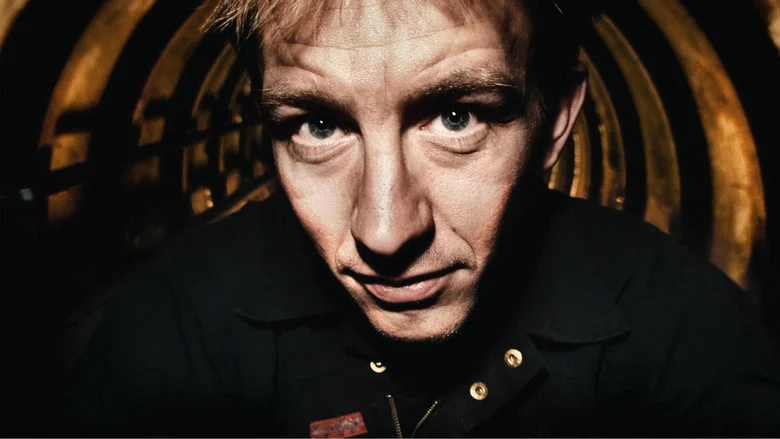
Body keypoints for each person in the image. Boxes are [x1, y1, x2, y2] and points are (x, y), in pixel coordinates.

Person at [65, 0, 780, 436]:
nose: (383, 232)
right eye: (318, 125)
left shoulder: (683, 336)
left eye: (457, 115)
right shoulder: (172, 338)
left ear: (556, 120)